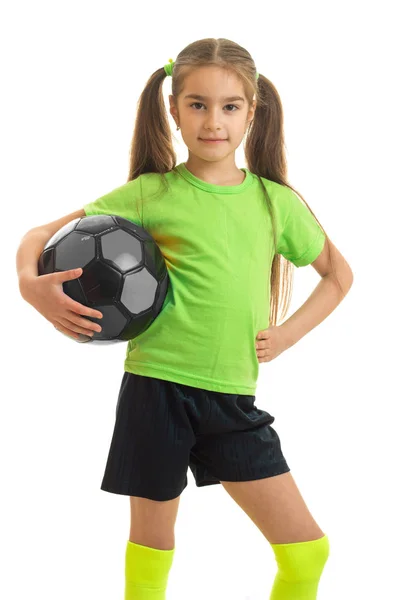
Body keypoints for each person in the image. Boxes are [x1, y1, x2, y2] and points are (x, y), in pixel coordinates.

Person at [16, 38, 354, 600]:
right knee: (153, 551)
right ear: (173, 109)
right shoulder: (152, 193)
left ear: (253, 111)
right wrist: (33, 288)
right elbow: (36, 236)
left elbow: (338, 275)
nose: (213, 121)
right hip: (157, 390)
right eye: (197, 104)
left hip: (231, 399)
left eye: (229, 106)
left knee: (306, 551)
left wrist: (289, 333)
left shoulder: (276, 203)